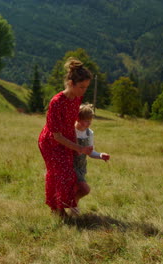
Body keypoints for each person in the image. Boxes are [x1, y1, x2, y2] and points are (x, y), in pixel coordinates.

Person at [38, 58, 93, 218]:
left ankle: (65, 206)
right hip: (51, 142)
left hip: (68, 139)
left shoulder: (77, 98)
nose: (83, 91)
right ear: (70, 83)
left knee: (69, 174)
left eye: (86, 87)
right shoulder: (56, 102)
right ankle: (57, 211)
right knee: (60, 175)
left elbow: (71, 122)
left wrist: (80, 135)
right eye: (81, 87)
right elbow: (56, 135)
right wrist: (79, 148)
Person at [72, 103, 110, 215]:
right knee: (85, 189)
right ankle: (72, 203)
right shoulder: (70, 130)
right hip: (69, 164)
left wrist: (100, 155)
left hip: (81, 166)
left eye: (90, 120)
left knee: (77, 190)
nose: (89, 123)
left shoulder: (89, 133)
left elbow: (90, 152)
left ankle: (72, 204)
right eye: (86, 120)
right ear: (77, 118)